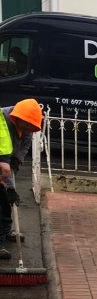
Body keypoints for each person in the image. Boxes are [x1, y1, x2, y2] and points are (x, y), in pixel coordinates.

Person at [0, 98, 43, 261]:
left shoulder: (27, 126)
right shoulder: (2, 120)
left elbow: (25, 145)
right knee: (3, 204)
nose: (29, 130)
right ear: (18, 118)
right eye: (27, 126)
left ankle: (5, 231)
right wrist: (10, 188)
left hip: (5, 163)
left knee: (6, 203)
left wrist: (17, 160)